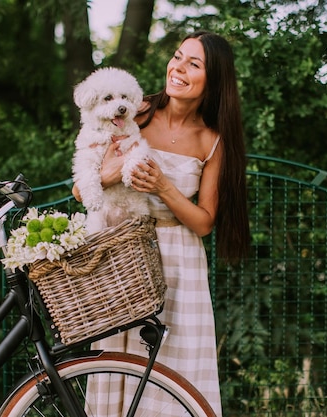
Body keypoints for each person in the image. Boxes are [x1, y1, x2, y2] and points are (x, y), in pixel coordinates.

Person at [73, 30, 250, 417]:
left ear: (213, 79)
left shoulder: (213, 140)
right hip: (124, 255)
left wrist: (165, 188)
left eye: (194, 63)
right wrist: (112, 172)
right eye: (177, 56)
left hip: (181, 264)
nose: (178, 67)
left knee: (175, 368)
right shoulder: (133, 110)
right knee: (120, 359)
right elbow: (80, 189)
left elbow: (204, 223)